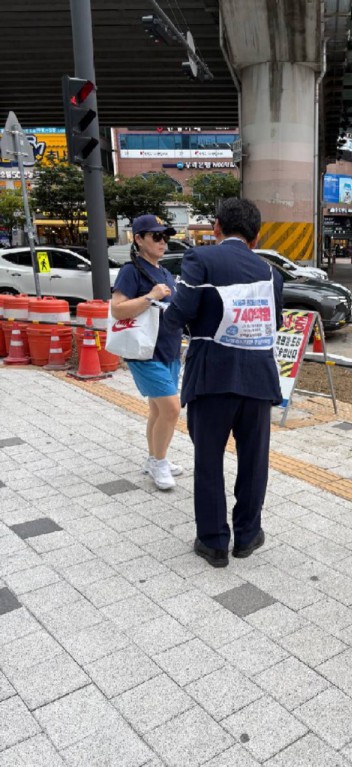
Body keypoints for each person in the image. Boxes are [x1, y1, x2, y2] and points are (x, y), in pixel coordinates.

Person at [163, 198, 284, 568]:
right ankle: (247, 536)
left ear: (216, 227)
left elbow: (180, 312)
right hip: (259, 379)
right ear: (256, 236)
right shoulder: (272, 273)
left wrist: (176, 319)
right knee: (254, 461)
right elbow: (274, 322)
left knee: (209, 460)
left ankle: (214, 542)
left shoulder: (200, 259)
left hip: (212, 378)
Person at [110, 214, 183, 491]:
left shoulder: (164, 273)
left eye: (165, 236)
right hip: (145, 353)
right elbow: (117, 309)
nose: (163, 242)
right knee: (171, 408)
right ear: (138, 239)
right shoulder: (131, 271)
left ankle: (155, 458)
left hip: (169, 349)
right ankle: (159, 462)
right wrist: (151, 296)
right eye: (156, 236)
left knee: (157, 409)